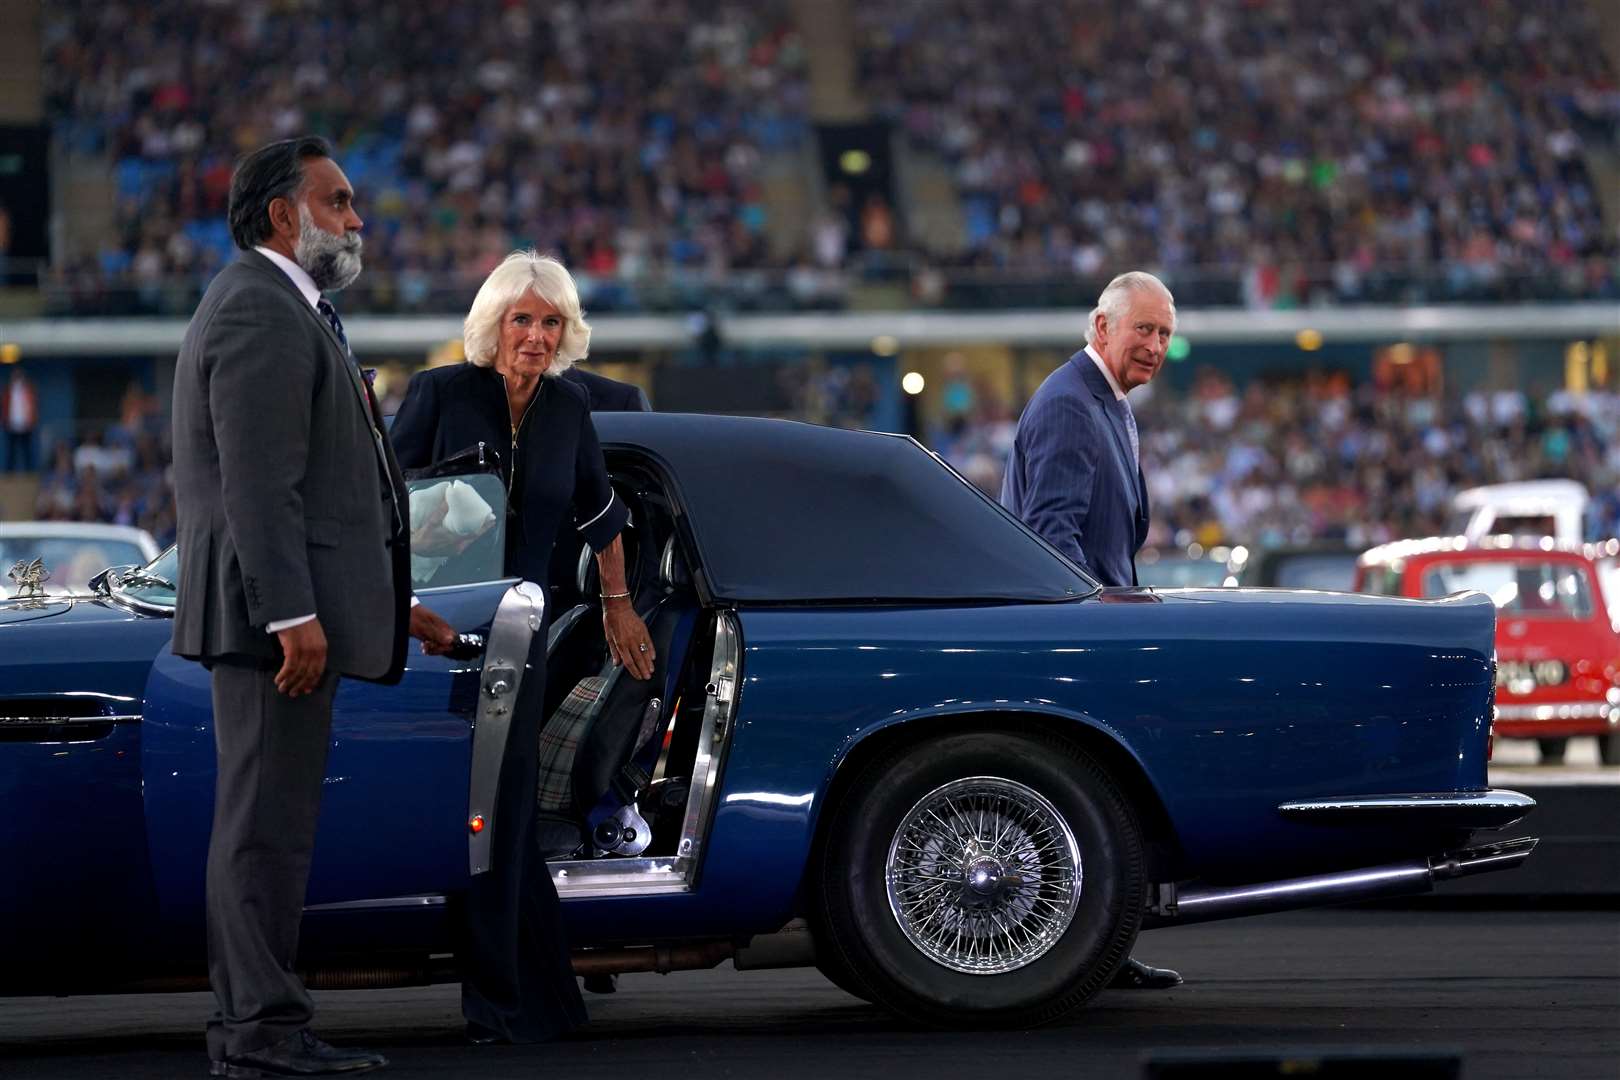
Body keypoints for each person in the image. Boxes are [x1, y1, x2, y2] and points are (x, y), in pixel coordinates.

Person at [171, 135, 456, 1078]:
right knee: (262, 830)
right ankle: (262, 1037)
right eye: (337, 201)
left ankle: (255, 1028)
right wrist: (292, 614)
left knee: (268, 826)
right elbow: (260, 487)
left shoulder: (290, 309)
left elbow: (325, 492)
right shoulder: (260, 309)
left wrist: (384, 598)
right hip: (270, 631)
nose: (356, 218)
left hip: (282, 619)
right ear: (284, 215)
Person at [390, 249, 655, 1044]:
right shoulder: (440, 393)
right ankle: (538, 994)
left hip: (520, 637)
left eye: (550, 322)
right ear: (492, 323)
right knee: (460, 814)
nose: (536, 336)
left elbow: (601, 514)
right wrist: (402, 597)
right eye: (522, 319)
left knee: (498, 819)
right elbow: (386, 509)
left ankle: (502, 1004)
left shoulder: (569, 409)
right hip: (433, 634)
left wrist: (618, 604)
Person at [1000, 269, 1184, 991]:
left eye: (1166, 333)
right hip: (1077, 647)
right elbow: (1052, 541)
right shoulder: (1071, 406)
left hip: (1094, 636)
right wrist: (1095, 639)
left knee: (1102, 813)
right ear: (1101, 327)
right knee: (1089, 810)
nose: (1156, 345)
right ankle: (1077, 958)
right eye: (1144, 328)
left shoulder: (1107, 402)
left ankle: (1099, 951)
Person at [3, 364, 38, 472]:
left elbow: (33, 405)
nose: (17, 378)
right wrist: (6, 421)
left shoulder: (28, 390)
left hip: (25, 424)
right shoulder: (8, 390)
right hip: (12, 424)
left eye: (19, 376)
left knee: (27, 450)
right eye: (15, 376)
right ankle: (9, 472)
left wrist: (31, 421)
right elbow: (4, 406)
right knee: (11, 451)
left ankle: (29, 471)